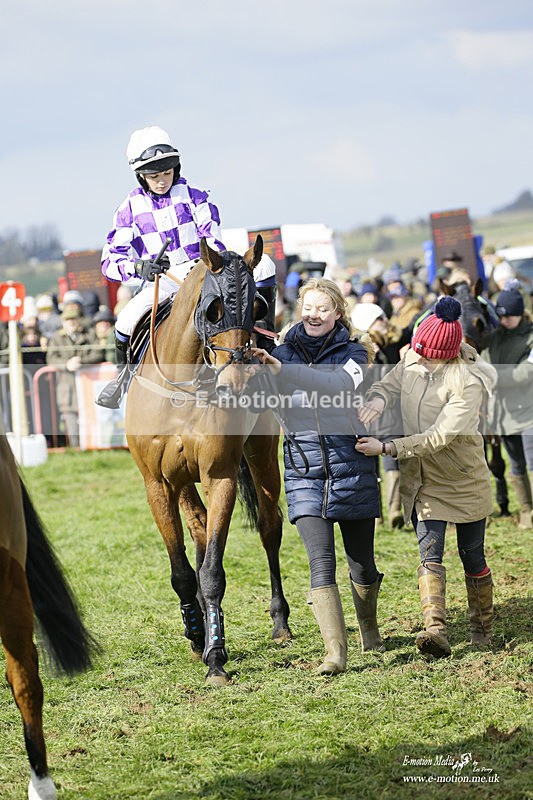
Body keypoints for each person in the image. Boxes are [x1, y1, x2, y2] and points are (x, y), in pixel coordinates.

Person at [252, 278, 382, 675]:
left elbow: (337, 385)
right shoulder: (280, 352)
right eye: (308, 308)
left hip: (352, 466)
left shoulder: (356, 351)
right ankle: (335, 653)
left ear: (338, 312)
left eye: (323, 308)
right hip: (303, 470)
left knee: (361, 565)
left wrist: (284, 370)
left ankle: (369, 630)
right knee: (320, 563)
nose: (314, 315)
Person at [96, 125, 277, 408]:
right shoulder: (128, 208)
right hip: (163, 278)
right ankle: (123, 379)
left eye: (166, 173)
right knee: (126, 319)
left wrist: (213, 266)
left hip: (203, 270)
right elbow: (109, 262)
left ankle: (266, 347)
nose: (161, 181)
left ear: (175, 168)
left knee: (264, 266)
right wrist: (139, 268)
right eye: (154, 176)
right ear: (141, 176)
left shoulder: (195, 195)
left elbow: (212, 237)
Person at [356, 296, 497, 658]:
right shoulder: (413, 358)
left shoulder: (468, 383)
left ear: (447, 356)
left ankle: (482, 628)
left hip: (463, 478)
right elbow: (389, 384)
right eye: (417, 351)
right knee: (429, 553)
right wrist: (378, 399)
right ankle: (435, 630)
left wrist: (388, 448)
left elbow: (437, 437)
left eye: (426, 355)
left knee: (471, 555)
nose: (418, 358)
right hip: (423, 479)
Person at [482, 281, 533, 529]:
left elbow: (526, 373)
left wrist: (492, 375)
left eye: (509, 316)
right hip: (503, 415)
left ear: (520, 313)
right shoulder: (494, 338)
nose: (504, 321)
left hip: (529, 414)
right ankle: (526, 510)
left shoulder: (531, 338)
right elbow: (480, 360)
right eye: (500, 316)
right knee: (516, 465)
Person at [46, 307, 105, 447]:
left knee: (91, 415)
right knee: (70, 416)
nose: (71, 322)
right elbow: (51, 358)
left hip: (88, 383)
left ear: (79, 320)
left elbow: (98, 353)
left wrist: (81, 362)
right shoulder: (56, 338)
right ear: (63, 322)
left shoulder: (89, 334)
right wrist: (66, 364)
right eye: (68, 320)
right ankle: (75, 447)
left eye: (73, 319)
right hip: (66, 384)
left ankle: (93, 445)